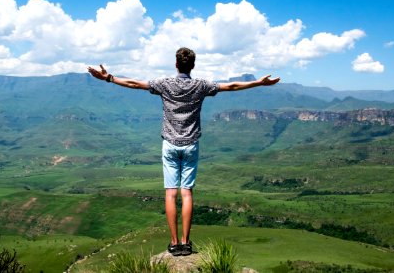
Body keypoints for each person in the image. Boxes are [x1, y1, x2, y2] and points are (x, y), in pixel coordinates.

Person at [87, 47, 280, 256]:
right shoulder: (201, 85)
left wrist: (109, 78)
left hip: (169, 144)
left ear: (176, 64)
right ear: (193, 65)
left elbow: (134, 84)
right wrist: (259, 82)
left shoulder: (165, 84)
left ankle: (173, 243)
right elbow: (231, 86)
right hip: (191, 144)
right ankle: (186, 243)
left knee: (170, 193)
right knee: (186, 193)